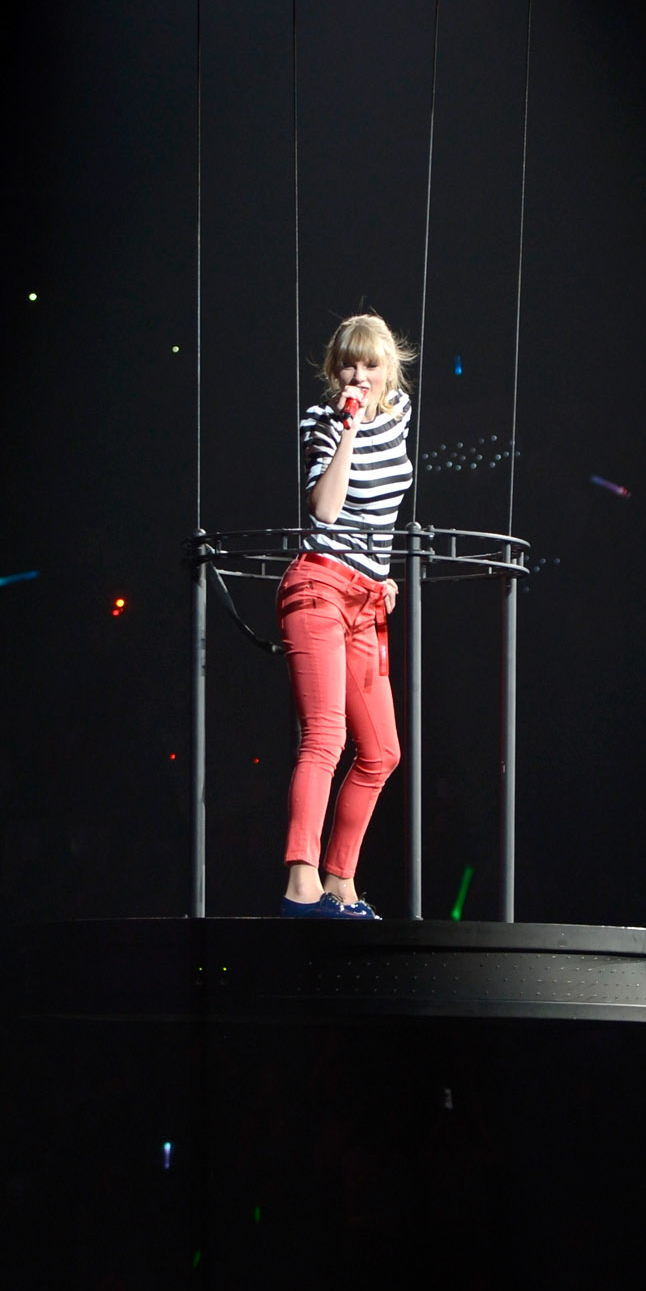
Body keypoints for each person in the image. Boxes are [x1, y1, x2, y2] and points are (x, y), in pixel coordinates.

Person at [278, 312, 415, 918]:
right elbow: (327, 511)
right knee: (326, 737)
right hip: (319, 587)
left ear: (391, 370)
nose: (358, 375)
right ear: (335, 371)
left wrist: (381, 570)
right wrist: (348, 429)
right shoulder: (324, 421)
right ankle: (301, 885)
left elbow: (379, 519)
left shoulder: (401, 416)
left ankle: (341, 882)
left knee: (382, 751)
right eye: (348, 365)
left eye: (371, 364)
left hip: (364, 597)